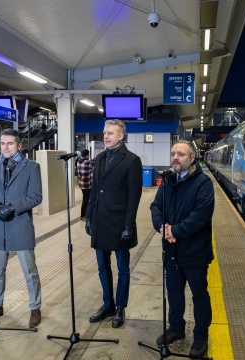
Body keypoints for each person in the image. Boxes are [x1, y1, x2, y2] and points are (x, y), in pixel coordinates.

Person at [150, 140, 215, 358]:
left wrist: (174, 231)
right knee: (174, 293)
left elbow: (201, 216)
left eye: (181, 154)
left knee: (199, 295)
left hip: (195, 251)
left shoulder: (203, 183)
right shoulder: (168, 181)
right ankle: (176, 329)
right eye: (173, 154)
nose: (175, 157)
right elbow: (155, 206)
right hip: (171, 251)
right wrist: (162, 226)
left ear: (192, 158)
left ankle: (200, 335)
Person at [0, 128, 44, 328]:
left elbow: (36, 196)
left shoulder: (32, 167)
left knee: (29, 271)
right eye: (3, 143)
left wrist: (12, 208)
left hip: (19, 226)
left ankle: (35, 307)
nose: (5, 147)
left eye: (10, 144)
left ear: (19, 145)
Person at [85, 119, 142, 328]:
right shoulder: (99, 158)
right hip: (100, 220)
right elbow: (94, 190)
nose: (106, 136)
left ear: (121, 136)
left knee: (123, 268)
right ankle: (107, 304)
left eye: (110, 133)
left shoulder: (132, 160)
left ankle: (120, 307)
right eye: (104, 133)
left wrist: (129, 225)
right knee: (102, 267)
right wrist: (89, 216)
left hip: (119, 223)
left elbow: (133, 197)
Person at [76, 149, 94, 221]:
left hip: (81, 184)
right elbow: (94, 162)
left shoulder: (78, 162)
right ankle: (84, 216)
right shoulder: (89, 162)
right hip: (87, 185)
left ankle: (84, 215)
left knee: (85, 199)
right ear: (87, 155)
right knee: (87, 200)